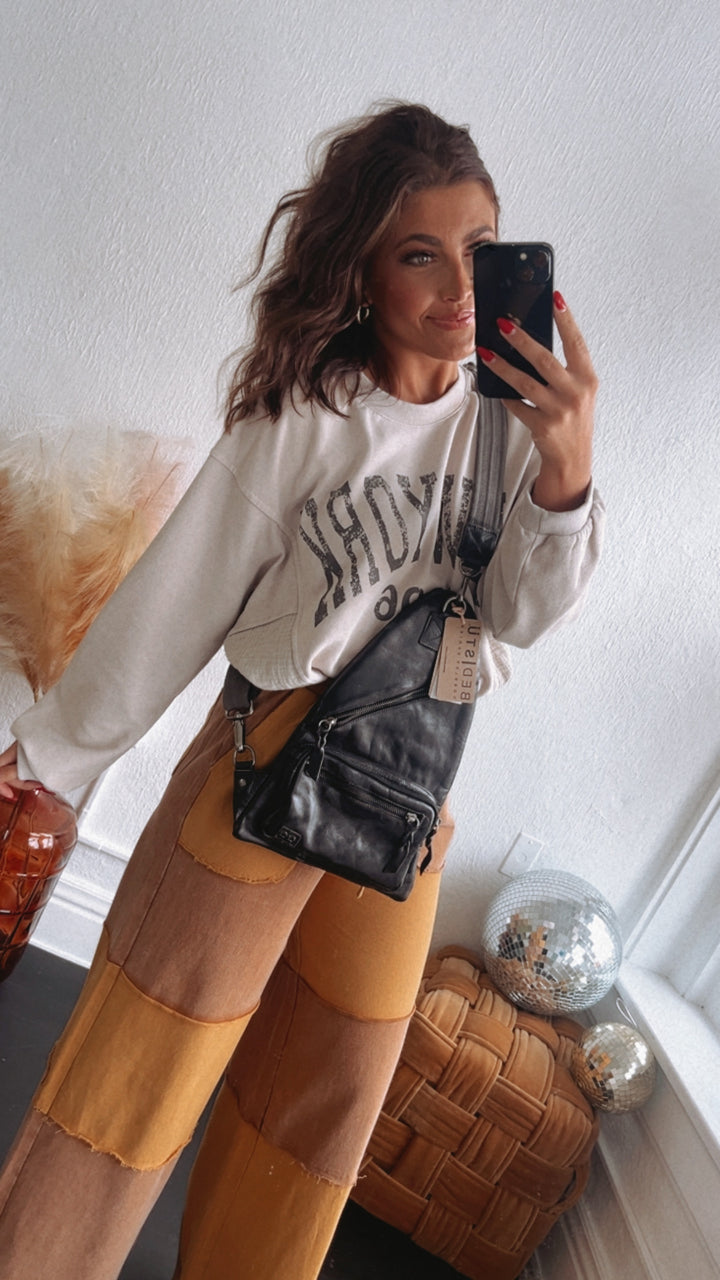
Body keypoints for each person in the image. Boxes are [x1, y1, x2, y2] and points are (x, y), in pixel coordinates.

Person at [0, 102, 603, 1280]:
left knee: (328, 1101)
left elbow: (523, 615)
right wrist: (55, 759)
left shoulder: (514, 423)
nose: (458, 287)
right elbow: (172, 601)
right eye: (420, 253)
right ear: (363, 268)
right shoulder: (305, 420)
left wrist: (569, 472)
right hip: (263, 755)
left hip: (412, 781)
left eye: (479, 249)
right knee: (143, 1061)